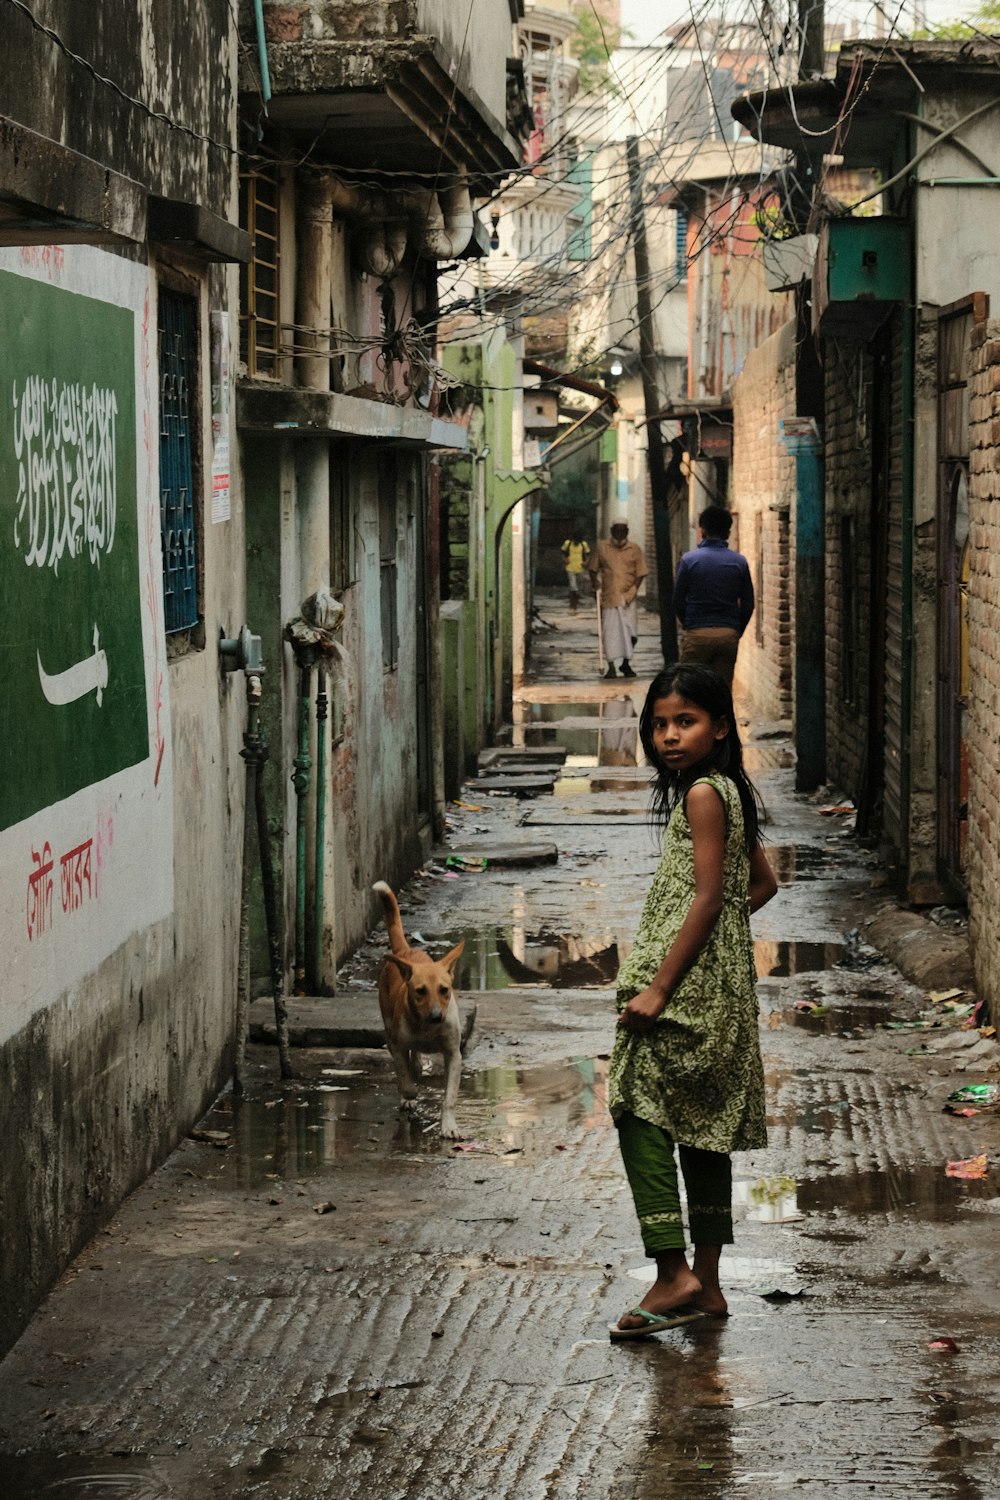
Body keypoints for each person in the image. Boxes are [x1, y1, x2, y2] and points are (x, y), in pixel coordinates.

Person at [606, 663, 777, 1341]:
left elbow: (709, 897)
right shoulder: (729, 789)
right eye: (659, 724)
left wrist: (659, 985)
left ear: (720, 729)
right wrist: (726, 938)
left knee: (633, 1101)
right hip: (723, 986)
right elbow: (758, 885)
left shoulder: (705, 796)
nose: (670, 736)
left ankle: (672, 1270)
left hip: (686, 988)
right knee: (705, 1122)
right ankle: (707, 1285)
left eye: (686, 722)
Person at [673, 505, 754, 688]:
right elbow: (748, 603)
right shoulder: (739, 562)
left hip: (697, 633)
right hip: (728, 634)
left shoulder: (689, 560)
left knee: (691, 691)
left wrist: (690, 624)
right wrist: (735, 630)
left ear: (702, 531)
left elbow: (677, 601)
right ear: (728, 532)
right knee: (721, 691)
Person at [588, 521, 647, 678]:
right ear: (611, 531)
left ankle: (626, 664)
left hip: (628, 597)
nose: (620, 534)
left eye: (623, 531)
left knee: (632, 633)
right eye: (617, 531)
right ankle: (611, 667)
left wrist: (634, 590)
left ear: (627, 531)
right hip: (609, 597)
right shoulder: (602, 547)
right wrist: (595, 582)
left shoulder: (634, 549)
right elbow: (592, 568)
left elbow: (641, 573)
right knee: (610, 633)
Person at [560, 530, 590, 612]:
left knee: (577, 590)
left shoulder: (584, 544)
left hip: (580, 569)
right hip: (570, 568)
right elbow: (562, 552)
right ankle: (572, 606)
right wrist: (565, 560)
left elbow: (588, 555)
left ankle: (575, 606)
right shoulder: (568, 543)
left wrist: (586, 562)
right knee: (573, 588)